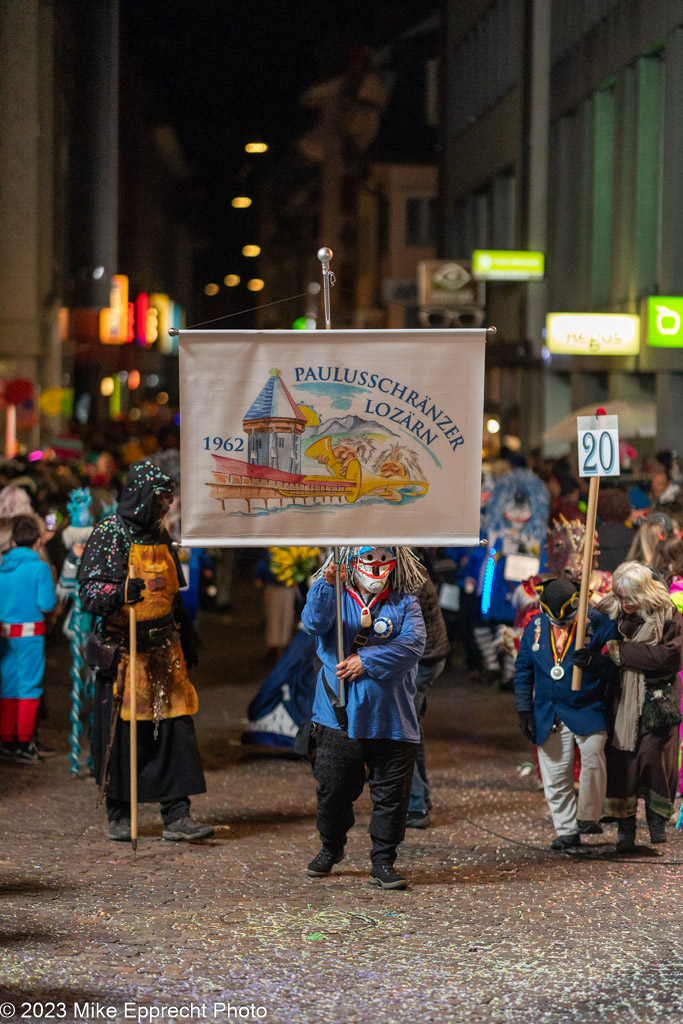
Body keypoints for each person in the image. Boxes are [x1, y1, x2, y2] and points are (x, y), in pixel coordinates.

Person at [78, 460, 213, 842]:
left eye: (168, 499)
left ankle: (177, 814)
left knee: (174, 730)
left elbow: (173, 596)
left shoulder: (160, 534)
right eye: (160, 499)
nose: (166, 506)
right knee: (122, 736)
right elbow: (89, 590)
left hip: (164, 653)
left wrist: (188, 637)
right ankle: (119, 814)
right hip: (126, 653)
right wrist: (118, 594)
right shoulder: (111, 533)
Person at [301, 546, 426, 890]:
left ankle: (383, 860)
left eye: (384, 559)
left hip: (392, 719)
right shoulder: (336, 595)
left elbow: (413, 645)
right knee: (334, 790)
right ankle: (331, 846)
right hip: (338, 718)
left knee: (391, 794)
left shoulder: (405, 603)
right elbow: (313, 624)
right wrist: (326, 586)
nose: (376, 567)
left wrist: (366, 660)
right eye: (369, 559)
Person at [514, 578, 617, 850]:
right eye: (555, 620)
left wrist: (597, 662)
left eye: (566, 619)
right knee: (555, 774)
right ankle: (567, 830)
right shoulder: (534, 628)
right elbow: (523, 672)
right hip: (549, 710)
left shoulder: (597, 622)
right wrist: (524, 709)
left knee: (594, 757)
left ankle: (588, 817)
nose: (560, 624)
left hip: (588, 707)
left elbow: (618, 665)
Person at [599, 561, 683, 852]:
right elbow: (597, 643)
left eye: (630, 598)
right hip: (620, 700)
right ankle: (625, 831)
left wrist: (621, 652)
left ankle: (656, 819)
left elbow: (669, 658)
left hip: (658, 699)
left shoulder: (669, 615)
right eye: (621, 597)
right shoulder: (610, 611)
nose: (625, 604)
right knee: (623, 761)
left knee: (654, 758)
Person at [0, 515, 57, 763]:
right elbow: (47, 604)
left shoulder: (2, 567)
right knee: (29, 687)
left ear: (13, 541)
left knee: (8, 686)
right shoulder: (39, 568)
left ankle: (6, 739)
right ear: (36, 542)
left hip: (4, 634)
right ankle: (25, 742)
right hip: (30, 635)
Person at [405, 556, 451, 828]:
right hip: (426, 658)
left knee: (403, 732)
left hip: (421, 661)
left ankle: (415, 804)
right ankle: (419, 799)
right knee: (412, 729)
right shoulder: (409, 565)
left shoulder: (408, 576)